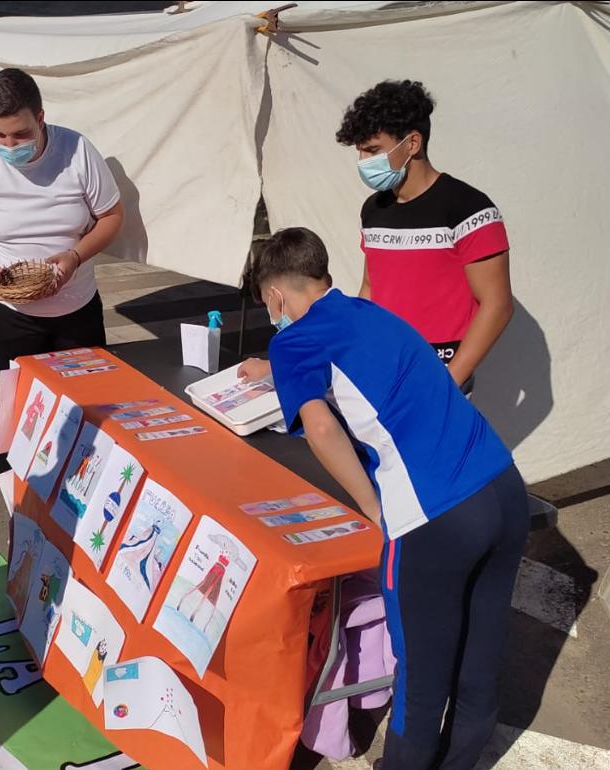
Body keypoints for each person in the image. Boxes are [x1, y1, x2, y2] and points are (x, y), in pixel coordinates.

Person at [238, 228, 527, 770]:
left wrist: (373, 507)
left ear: (274, 295)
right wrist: (272, 370)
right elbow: (358, 366)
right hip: (502, 485)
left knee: (419, 684)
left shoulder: (292, 340)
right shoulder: (373, 313)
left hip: (433, 516)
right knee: (479, 659)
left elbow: (321, 429)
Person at [0, 67, 126, 373]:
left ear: (40, 118)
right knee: (24, 407)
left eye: (21, 134)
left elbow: (112, 216)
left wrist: (75, 257)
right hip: (5, 314)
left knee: (88, 404)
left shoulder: (78, 152)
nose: (9, 146)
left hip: (76, 308)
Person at [336, 80, 513, 393]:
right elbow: (371, 285)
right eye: (360, 151)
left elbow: (497, 305)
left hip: (439, 376)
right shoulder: (373, 209)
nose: (364, 161)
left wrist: (447, 383)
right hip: (384, 370)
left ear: (412, 143)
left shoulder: (468, 208)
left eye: (373, 150)